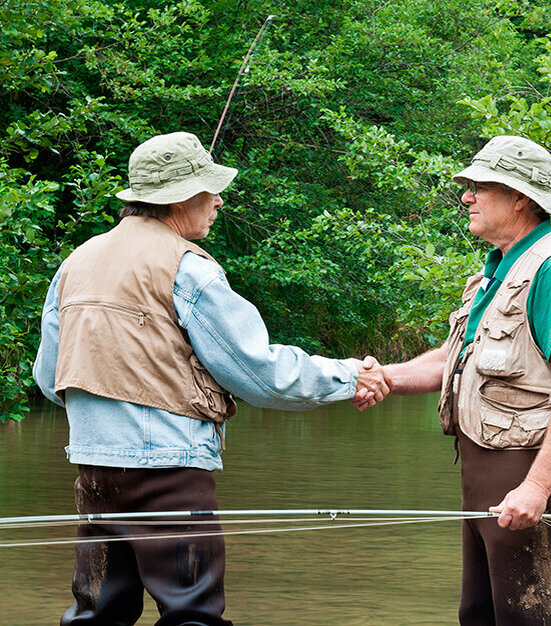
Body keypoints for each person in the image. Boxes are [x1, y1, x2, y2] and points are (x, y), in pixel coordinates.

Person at [33, 131, 391, 626]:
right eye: (210, 188)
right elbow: (259, 374)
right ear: (180, 198)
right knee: (192, 616)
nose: (219, 200)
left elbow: (51, 379)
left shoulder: (77, 261)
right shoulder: (187, 267)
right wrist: (349, 376)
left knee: (97, 614)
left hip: (93, 471)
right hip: (170, 473)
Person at [353, 135, 551, 624]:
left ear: (520, 198)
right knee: (477, 614)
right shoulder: (499, 268)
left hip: (522, 472)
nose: (466, 197)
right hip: (480, 476)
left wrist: (537, 488)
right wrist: (380, 376)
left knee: (524, 618)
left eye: (480, 186)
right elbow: (454, 359)